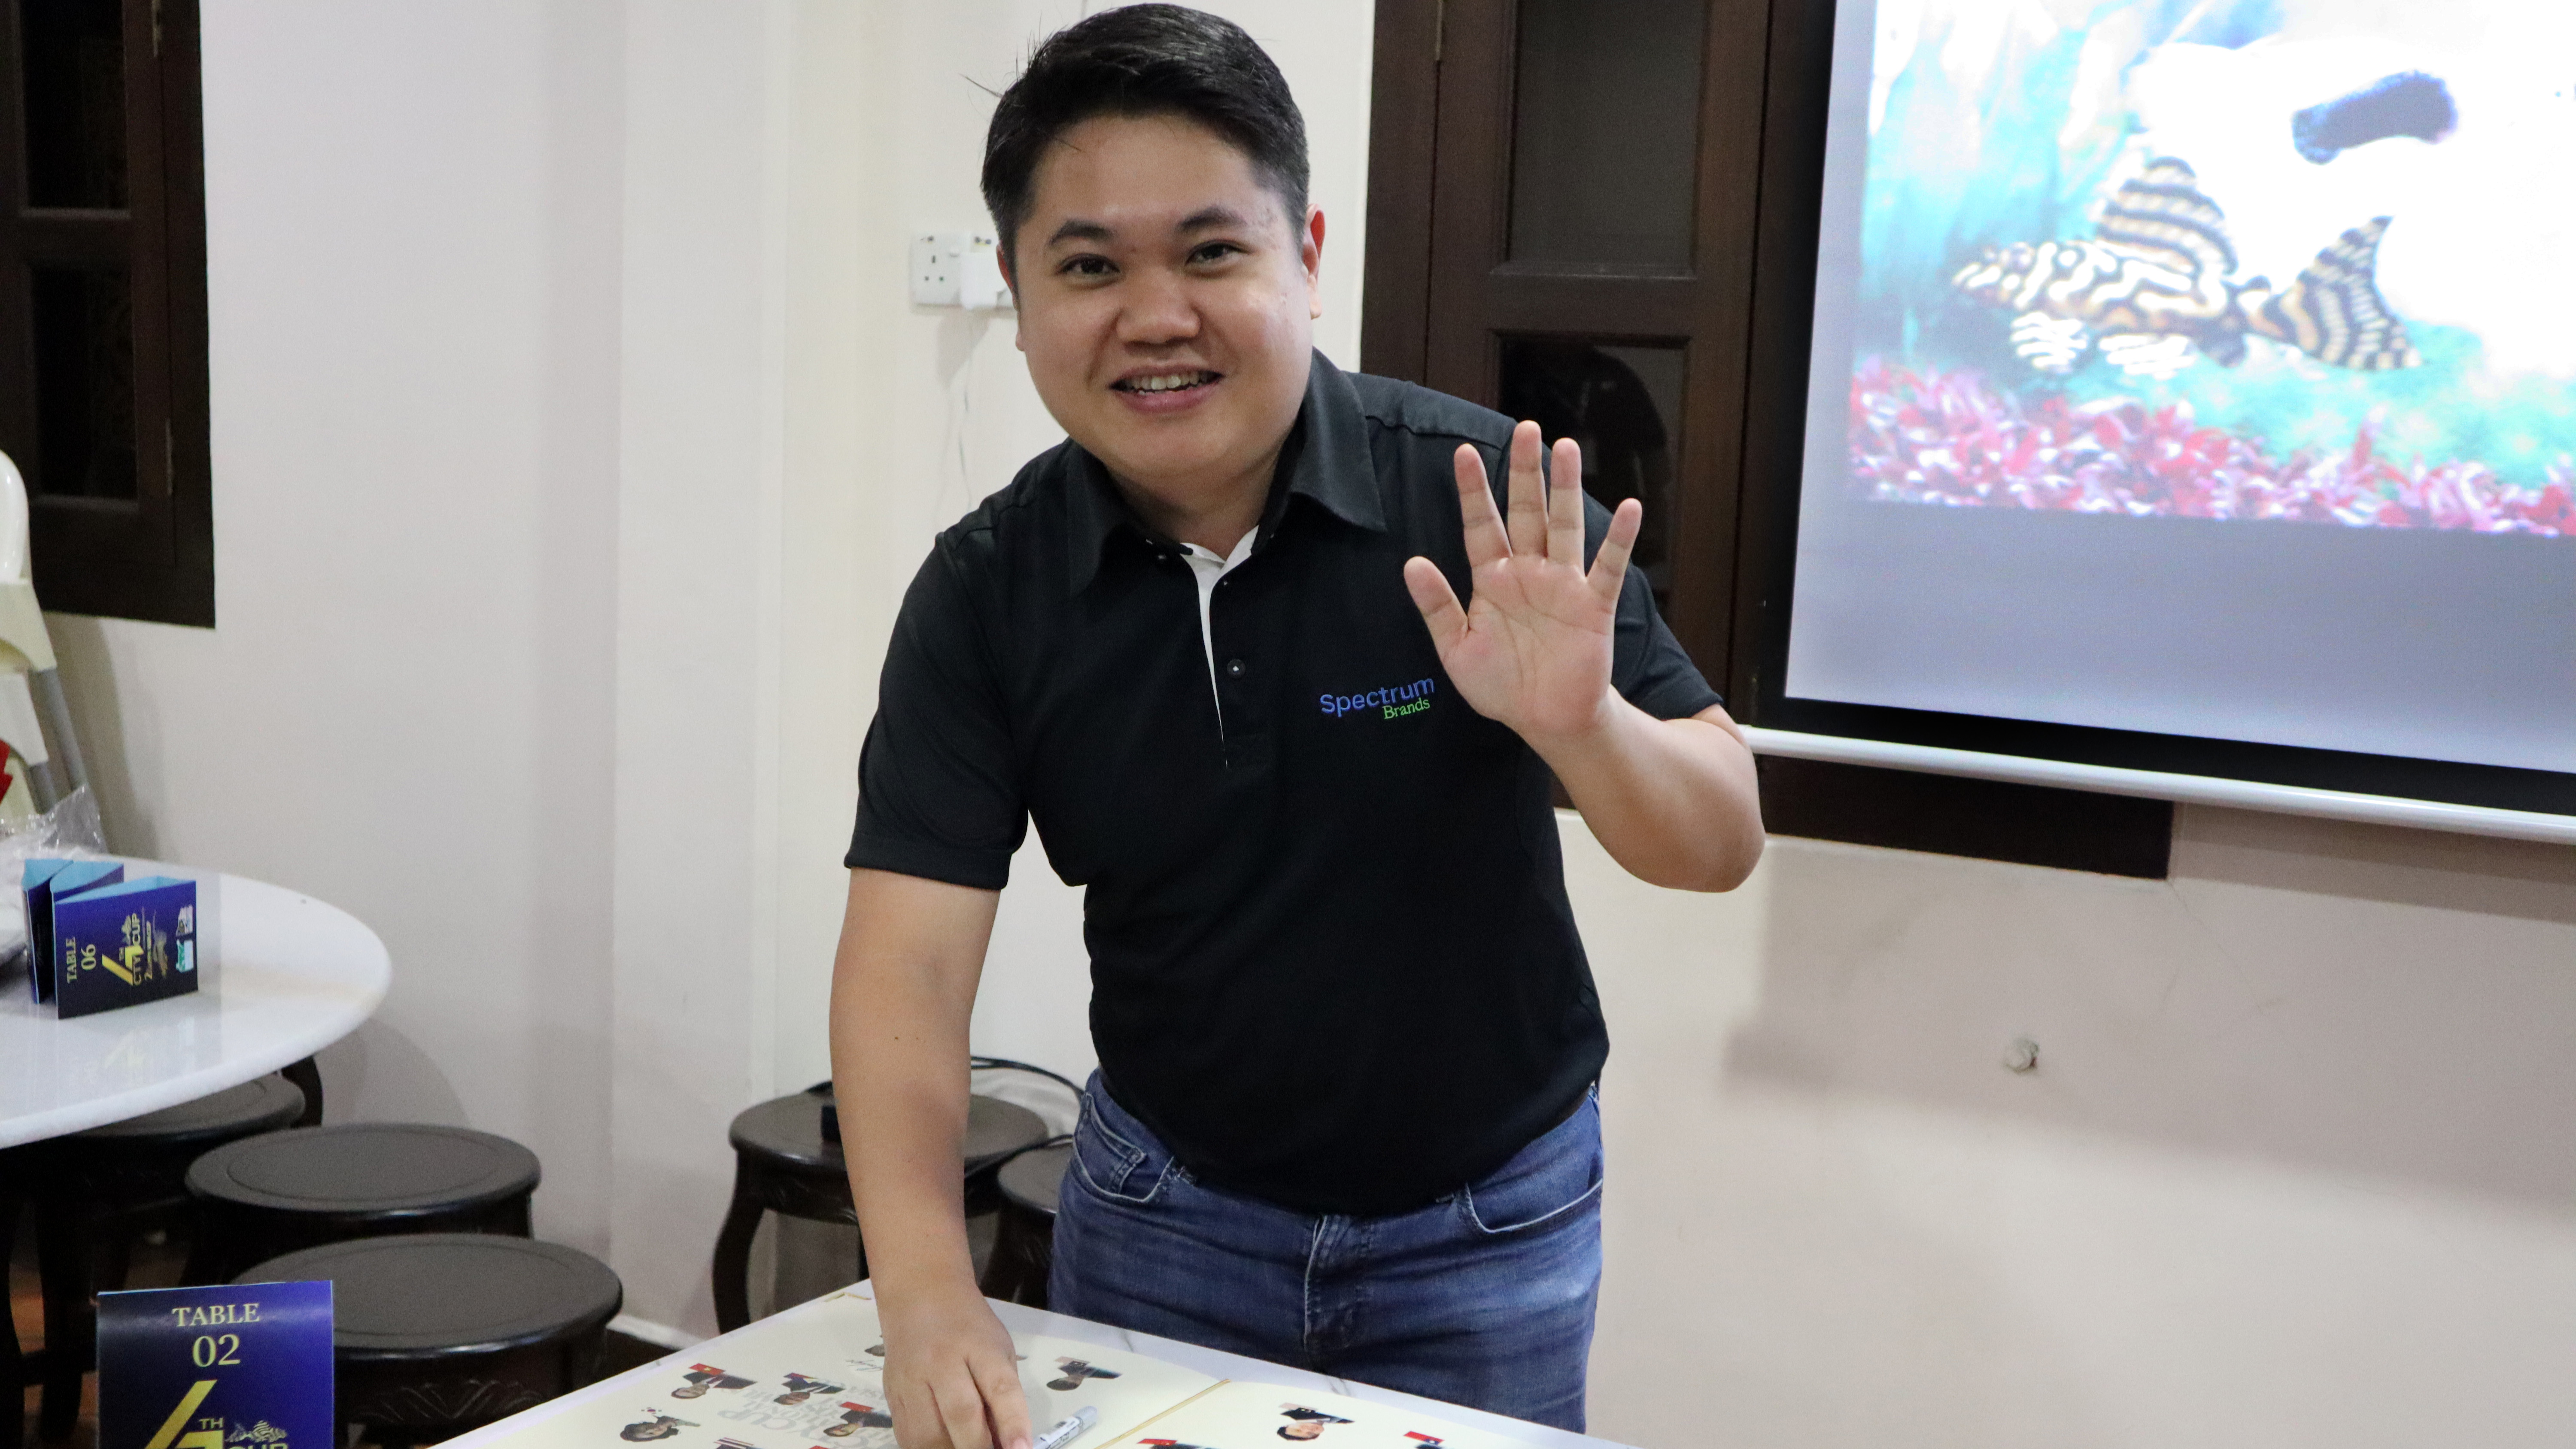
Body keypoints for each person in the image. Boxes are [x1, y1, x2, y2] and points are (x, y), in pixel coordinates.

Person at [828, 8, 1764, 1449]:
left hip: (1486, 1225)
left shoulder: (1476, 499)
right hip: (1165, 1217)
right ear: (1017, 293)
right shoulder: (987, 590)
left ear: (1308, 257)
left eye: (1212, 252)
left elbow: (1720, 841)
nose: (1156, 316)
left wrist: (1587, 730)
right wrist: (928, 1296)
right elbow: (907, 965)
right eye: (1090, 266)